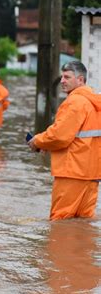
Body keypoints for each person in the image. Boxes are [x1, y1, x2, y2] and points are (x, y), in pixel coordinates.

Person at [28, 61, 101, 221]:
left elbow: (60, 136)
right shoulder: (96, 104)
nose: (62, 81)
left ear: (80, 80)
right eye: (62, 77)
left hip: (72, 172)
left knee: (60, 223)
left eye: (67, 77)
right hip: (91, 175)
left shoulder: (75, 102)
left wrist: (37, 141)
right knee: (83, 224)